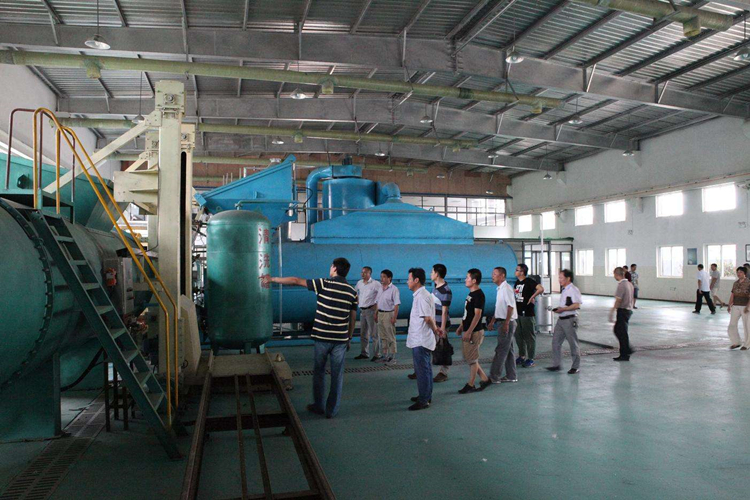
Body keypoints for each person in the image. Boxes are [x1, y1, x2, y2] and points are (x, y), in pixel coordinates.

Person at [262, 258, 357, 419]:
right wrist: (349, 337)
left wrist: (272, 279)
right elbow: (352, 318)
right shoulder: (352, 291)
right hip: (340, 340)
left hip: (322, 337)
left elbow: (295, 280)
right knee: (337, 375)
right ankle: (332, 410)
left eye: (331, 266)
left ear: (334, 268)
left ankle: (319, 406)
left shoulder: (323, 283)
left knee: (319, 372)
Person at [409, 264, 452, 382]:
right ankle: (421, 369)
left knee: (442, 348)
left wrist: (442, 328)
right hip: (434, 324)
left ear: (437, 274)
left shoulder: (446, 290)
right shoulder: (435, 288)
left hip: (440, 325)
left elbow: (445, 311)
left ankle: (443, 372)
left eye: (432, 272)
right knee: (429, 347)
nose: (431, 274)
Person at [406, 268, 441, 411]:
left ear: (416, 280)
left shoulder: (422, 296)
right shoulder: (421, 295)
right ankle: (425, 395)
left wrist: (435, 330)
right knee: (425, 369)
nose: (407, 282)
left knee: (422, 371)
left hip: (421, 339)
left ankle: (424, 400)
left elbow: (427, 318)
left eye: (409, 279)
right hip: (420, 338)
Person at [454, 269, 491, 393]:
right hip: (468, 330)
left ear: (474, 281)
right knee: (470, 358)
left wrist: (469, 331)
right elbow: (468, 314)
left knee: (472, 360)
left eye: (467, 277)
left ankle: (471, 384)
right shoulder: (471, 294)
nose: (465, 280)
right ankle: (485, 379)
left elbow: (477, 315)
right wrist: (461, 326)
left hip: (474, 332)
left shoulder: (479, 295)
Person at [547, 269, 583, 374]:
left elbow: (577, 305)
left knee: (573, 343)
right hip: (561, 319)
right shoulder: (564, 290)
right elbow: (567, 304)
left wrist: (564, 309)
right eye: (559, 278)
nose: (559, 280)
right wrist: (560, 309)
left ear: (568, 278)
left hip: (570, 320)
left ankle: (576, 366)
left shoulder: (573, 290)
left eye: (561, 278)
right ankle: (556, 364)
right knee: (555, 342)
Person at [488, 267, 518, 384]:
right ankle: (511, 375)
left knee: (500, 350)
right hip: (502, 321)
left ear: (502, 276)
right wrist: (492, 321)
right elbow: (499, 307)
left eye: (495, 274)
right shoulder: (500, 289)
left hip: (507, 323)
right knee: (508, 350)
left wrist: (506, 323)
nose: (493, 276)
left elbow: (510, 306)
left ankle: (494, 376)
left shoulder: (506, 289)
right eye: (493, 273)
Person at [513, 263, 543, 368]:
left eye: (517, 270)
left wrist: (532, 297)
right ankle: (522, 356)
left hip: (527, 313)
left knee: (529, 336)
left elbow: (541, 288)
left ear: (522, 272)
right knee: (518, 335)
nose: (515, 271)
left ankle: (531, 358)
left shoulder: (529, 281)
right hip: (518, 312)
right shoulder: (517, 282)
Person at [355, 266, 382, 361]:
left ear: (370, 274)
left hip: (371, 311)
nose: (363, 274)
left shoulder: (375, 284)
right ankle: (364, 353)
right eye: (362, 272)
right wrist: (358, 301)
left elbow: (382, 295)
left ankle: (377, 354)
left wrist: (377, 308)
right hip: (362, 311)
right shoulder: (359, 283)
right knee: (363, 334)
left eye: (365, 272)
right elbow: (355, 292)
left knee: (374, 334)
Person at [374, 269, 400, 365]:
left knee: (390, 336)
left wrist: (394, 317)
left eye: (384, 277)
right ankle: (385, 356)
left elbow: (396, 305)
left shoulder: (394, 289)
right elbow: (377, 302)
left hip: (389, 314)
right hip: (380, 314)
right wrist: (376, 313)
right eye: (381, 277)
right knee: (383, 336)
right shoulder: (380, 288)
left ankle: (392, 357)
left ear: (389, 278)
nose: (382, 279)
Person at [610, 267, 634, 361]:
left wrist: (612, 311)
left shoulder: (621, 285)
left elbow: (618, 300)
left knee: (621, 332)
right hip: (628, 310)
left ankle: (625, 353)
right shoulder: (629, 284)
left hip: (622, 310)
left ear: (616, 274)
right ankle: (627, 350)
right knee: (619, 331)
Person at [727, 266, 750, 350]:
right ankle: (736, 342)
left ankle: (747, 344)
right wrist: (729, 305)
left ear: (745, 273)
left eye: (740, 272)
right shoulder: (735, 283)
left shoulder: (749, 283)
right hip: (736, 305)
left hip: (745, 306)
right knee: (732, 324)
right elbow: (733, 294)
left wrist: (748, 306)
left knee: (747, 325)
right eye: (737, 272)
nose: (738, 274)